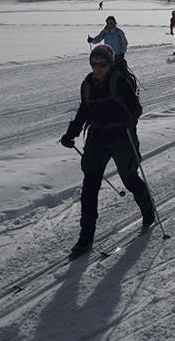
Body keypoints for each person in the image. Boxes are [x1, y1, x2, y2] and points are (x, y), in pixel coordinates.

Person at [59, 44, 155, 256]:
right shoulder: (88, 83)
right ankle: (86, 237)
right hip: (98, 137)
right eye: (94, 64)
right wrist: (71, 133)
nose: (97, 68)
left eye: (102, 64)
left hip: (121, 137)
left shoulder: (119, 81)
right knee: (90, 186)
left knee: (129, 178)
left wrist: (127, 120)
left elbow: (136, 109)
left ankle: (148, 210)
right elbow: (84, 110)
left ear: (109, 64)